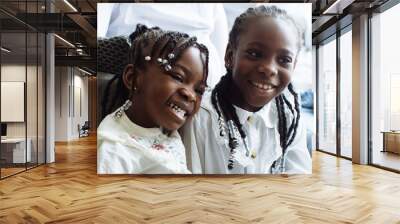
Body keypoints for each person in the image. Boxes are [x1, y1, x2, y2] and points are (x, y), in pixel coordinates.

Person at [181, 5, 312, 174]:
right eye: (255, 54)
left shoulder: (290, 117)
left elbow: (298, 181)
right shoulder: (200, 117)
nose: (269, 69)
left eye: (284, 59)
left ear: (294, 66)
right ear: (230, 56)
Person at [97, 24, 209, 174]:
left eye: (199, 90)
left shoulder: (163, 128)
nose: (190, 95)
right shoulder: (113, 153)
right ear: (133, 78)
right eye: (177, 77)